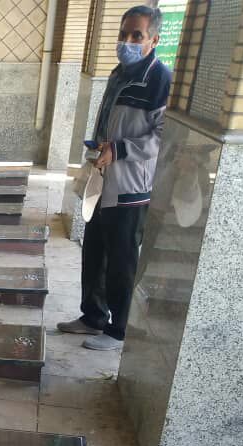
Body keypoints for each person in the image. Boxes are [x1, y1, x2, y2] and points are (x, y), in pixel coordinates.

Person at [58, 4, 171, 351]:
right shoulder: (118, 73)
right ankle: (93, 316)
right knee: (94, 250)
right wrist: (100, 148)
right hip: (103, 176)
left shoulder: (160, 79)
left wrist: (120, 150)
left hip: (130, 186)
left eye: (137, 35)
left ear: (154, 39)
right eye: (123, 34)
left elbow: (163, 136)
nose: (127, 42)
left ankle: (118, 329)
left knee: (122, 260)